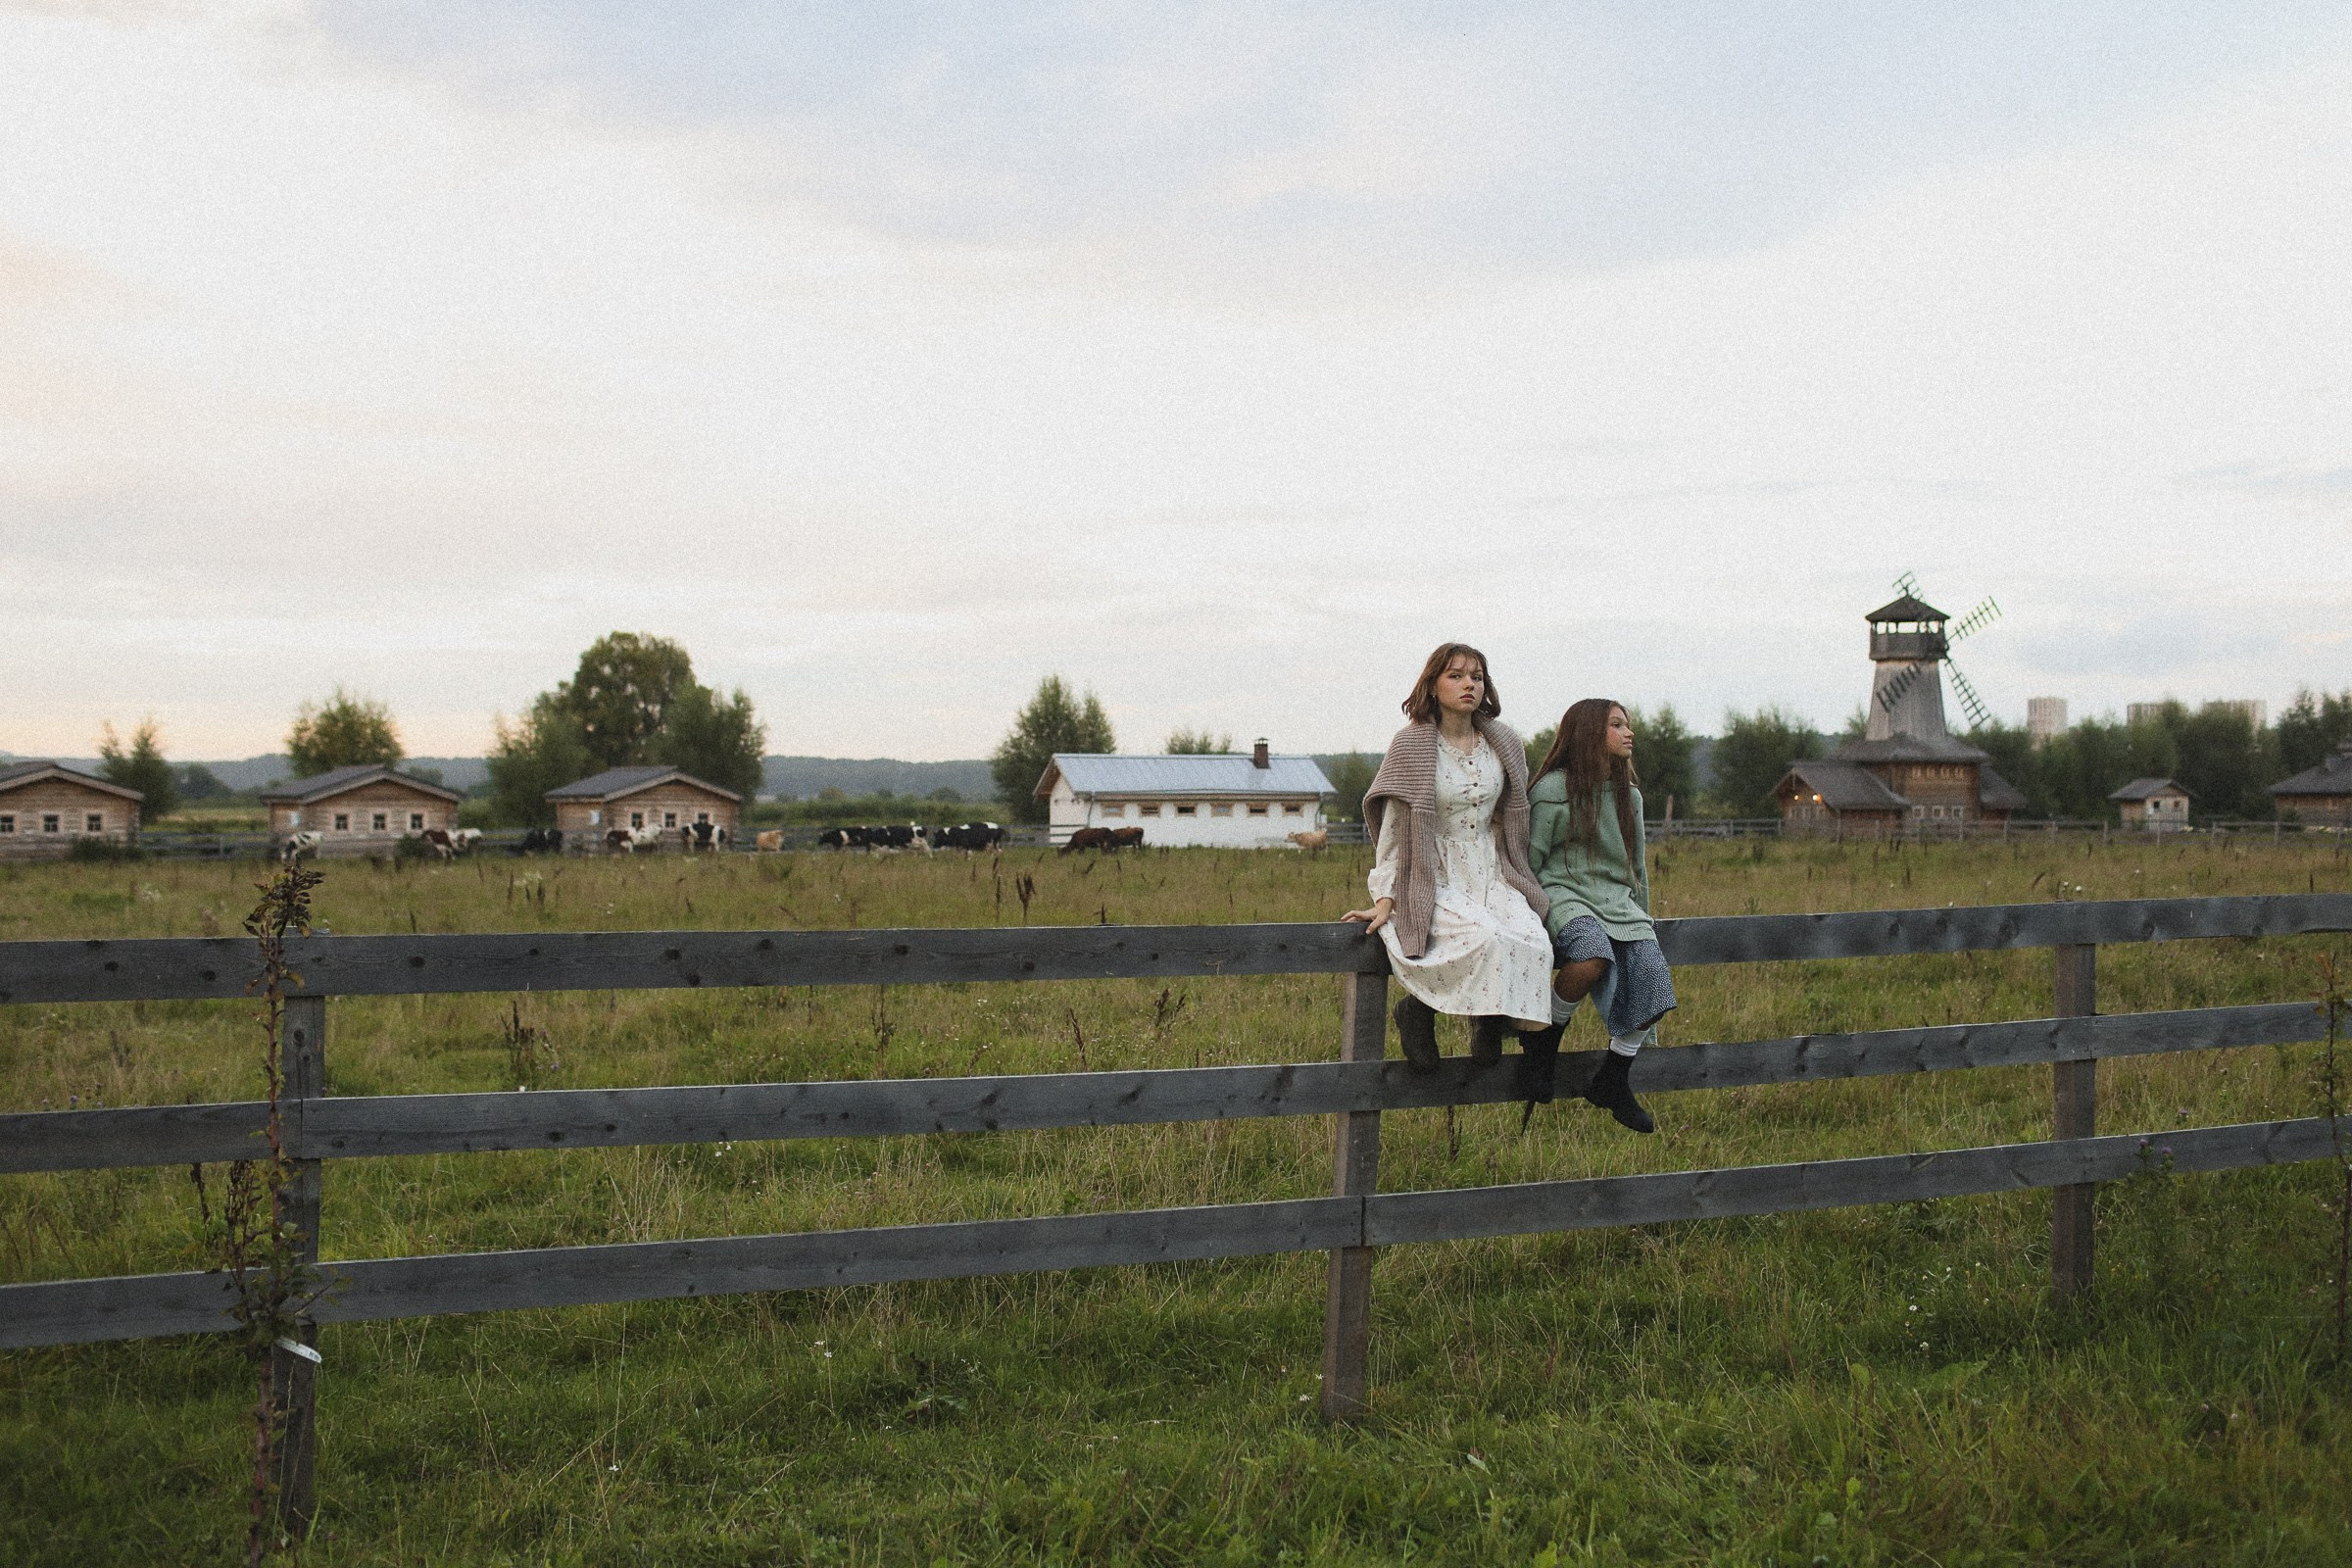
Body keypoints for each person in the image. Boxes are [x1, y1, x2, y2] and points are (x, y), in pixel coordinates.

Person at [1342, 643, 1555, 1071]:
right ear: (1433, 684)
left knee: (1533, 940)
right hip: (1431, 871)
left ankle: (1489, 1019)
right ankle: (1418, 1013)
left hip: (1490, 868)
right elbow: (1394, 831)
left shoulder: (1504, 742)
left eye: (1476, 676)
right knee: (1483, 936)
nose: (1468, 685)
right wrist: (1387, 896)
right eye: (1456, 676)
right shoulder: (1412, 745)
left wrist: (1516, 873)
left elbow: (1507, 816)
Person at [1520, 698, 1677, 1134]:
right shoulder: (1552, 790)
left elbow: (1637, 867)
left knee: (1653, 979)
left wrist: (1643, 920)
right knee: (1590, 956)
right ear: (1589, 733)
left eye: (1627, 724)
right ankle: (1543, 1043)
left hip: (1617, 901)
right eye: (1616, 725)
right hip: (1563, 892)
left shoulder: (1631, 797)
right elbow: (1529, 861)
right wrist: (1529, 920)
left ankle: (1613, 1079)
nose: (1628, 733)